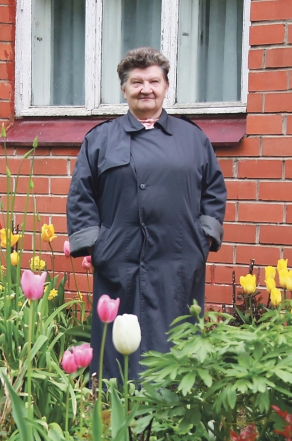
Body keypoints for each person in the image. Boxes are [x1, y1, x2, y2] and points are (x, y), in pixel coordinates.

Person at [66, 47, 227, 383]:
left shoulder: (193, 139)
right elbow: (82, 195)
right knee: (118, 347)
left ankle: (173, 408)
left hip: (178, 259)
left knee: (175, 335)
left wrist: (204, 238)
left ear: (166, 86)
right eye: (136, 82)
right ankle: (114, 404)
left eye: (154, 81)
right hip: (118, 259)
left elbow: (214, 189)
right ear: (124, 89)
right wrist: (99, 246)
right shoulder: (100, 140)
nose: (146, 89)